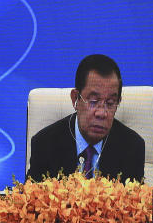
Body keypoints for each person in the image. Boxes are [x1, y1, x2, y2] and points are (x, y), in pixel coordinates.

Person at [27, 54, 145, 183]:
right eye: (93, 101)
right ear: (75, 99)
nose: (102, 113)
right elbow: (31, 200)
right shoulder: (44, 144)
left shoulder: (132, 147)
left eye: (110, 103)